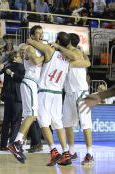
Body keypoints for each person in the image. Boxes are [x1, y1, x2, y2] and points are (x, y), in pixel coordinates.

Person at [27, 32, 79, 166]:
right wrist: (60, 47)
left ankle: (53, 151)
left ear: (56, 40)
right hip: (57, 93)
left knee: (43, 122)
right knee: (58, 124)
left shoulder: (50, 50)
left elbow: (32, 42)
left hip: (45, 91)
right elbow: (75, 55)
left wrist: (34, 39)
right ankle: (66, 153)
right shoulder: (68, 57)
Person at [52, 33, 93, 165]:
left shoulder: (76, 52)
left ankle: (90, 154)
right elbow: (87, 62)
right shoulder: (66, 53)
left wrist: (58, 46)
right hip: (69, 93)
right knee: (67, 124)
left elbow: (79, 59)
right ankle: (72, 151)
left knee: (86, 124)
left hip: (81, 93)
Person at [8, 25, 45, 163]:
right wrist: (47, 54)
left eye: (42, 33)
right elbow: (36, 61)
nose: (40, 35)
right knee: (32, 115)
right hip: (29, 82)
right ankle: (16, 143)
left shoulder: (41, 48)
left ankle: (18, 143)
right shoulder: (30, 47)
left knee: (29, 116)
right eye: (37, 33)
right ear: (32, 35)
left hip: (34, 84)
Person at [0, 51, 24, 151]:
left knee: (6, 121)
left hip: (8, 97)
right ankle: (12, 144)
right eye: (19, 56)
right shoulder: (21, 67)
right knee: (16, 121)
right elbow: (21, 78)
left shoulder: (6, 66)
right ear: (15, 57)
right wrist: (12, 73)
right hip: (17, 97)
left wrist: (0, 66)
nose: (20, 58)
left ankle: (3, 145)